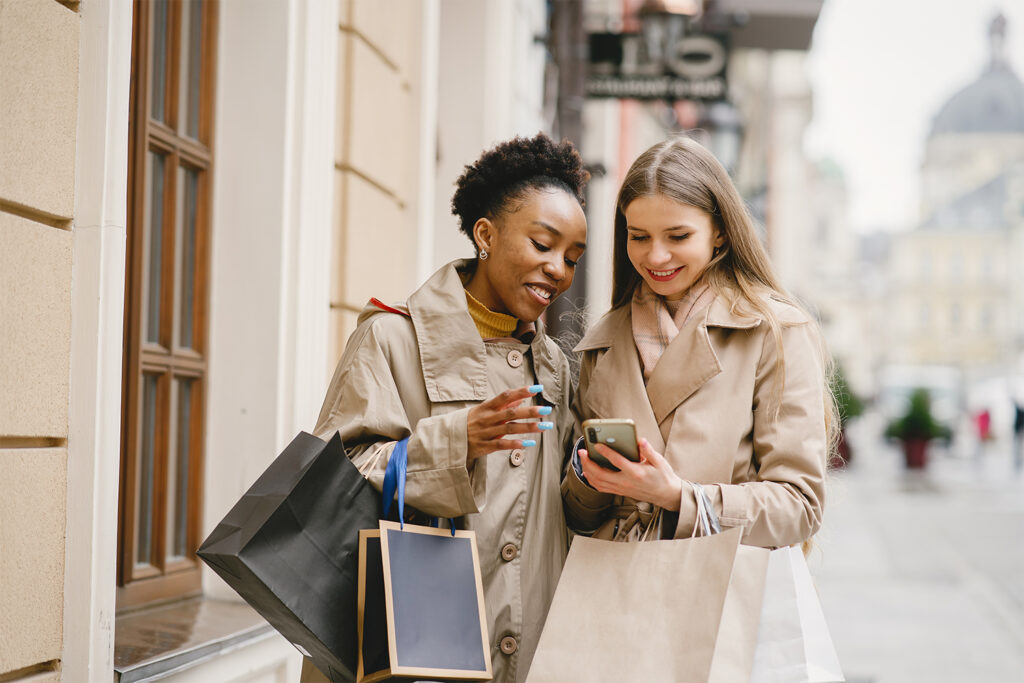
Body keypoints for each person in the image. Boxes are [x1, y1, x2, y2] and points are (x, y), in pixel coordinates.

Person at [300, 133, 588, 683]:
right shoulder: (391, 339)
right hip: (405, 648)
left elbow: (556, 516)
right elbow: (333, 482)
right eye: (543, 244)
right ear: (486, 234)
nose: (559, 269)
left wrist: (594, 480)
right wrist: (457, 440)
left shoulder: (554, 367)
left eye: (572, 258)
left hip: (530, 652)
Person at [563, 136, 836, 549]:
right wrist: (588, 478)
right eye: (638, 237)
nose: (655, 256)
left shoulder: (775, 334)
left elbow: (799, 506)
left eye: (677, 236)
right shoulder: (602, 344)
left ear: (720, 234)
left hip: (719, 593)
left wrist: (678, 498)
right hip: (614, 594)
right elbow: (576, 516)